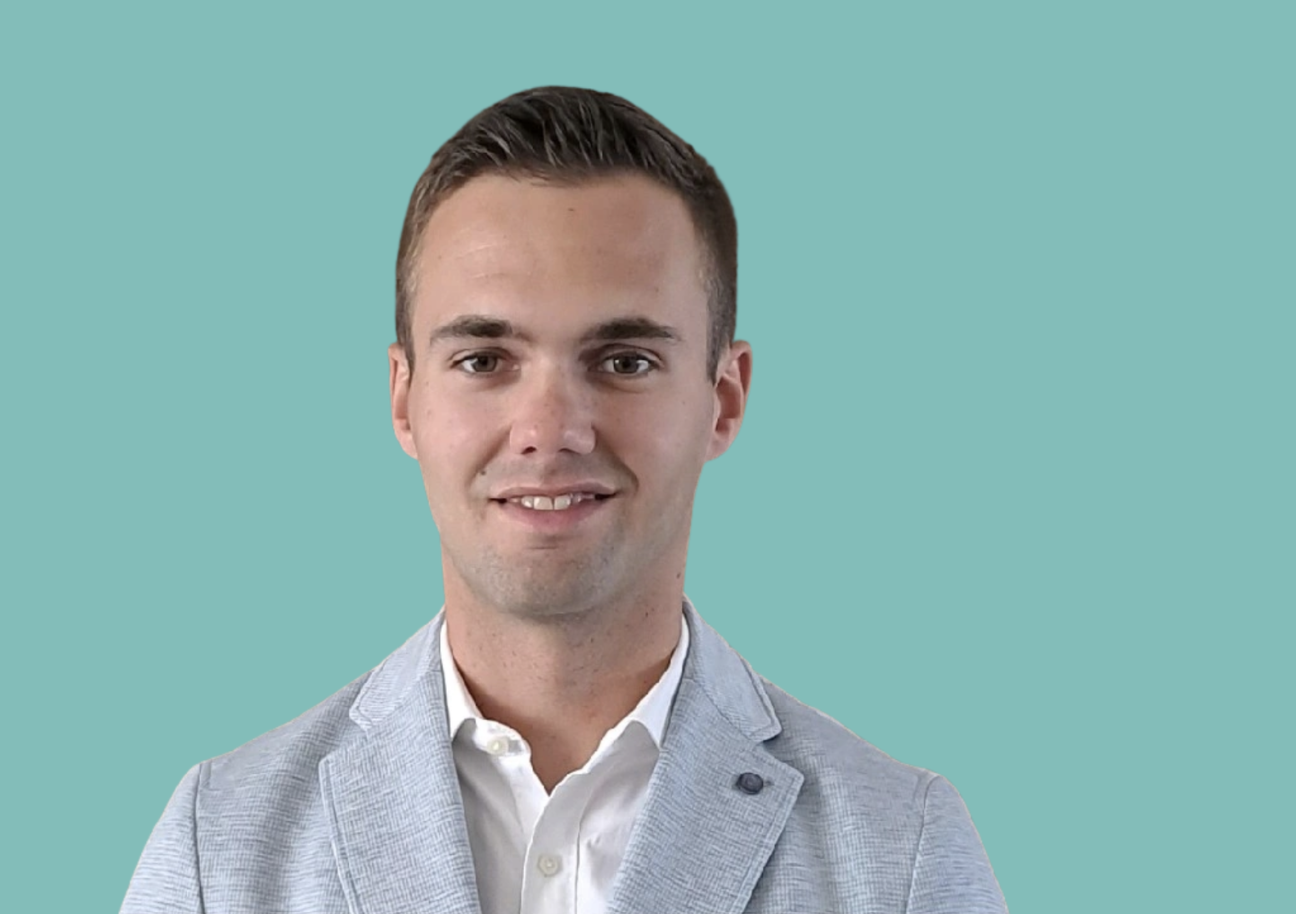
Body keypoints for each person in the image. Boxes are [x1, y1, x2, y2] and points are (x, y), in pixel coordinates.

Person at [121, 86, 1007, 914]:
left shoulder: (900, 854)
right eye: (484, 360)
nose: (549, 430)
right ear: (404, 399)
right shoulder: (219, 850)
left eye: (624, 361)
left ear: (725, 399)